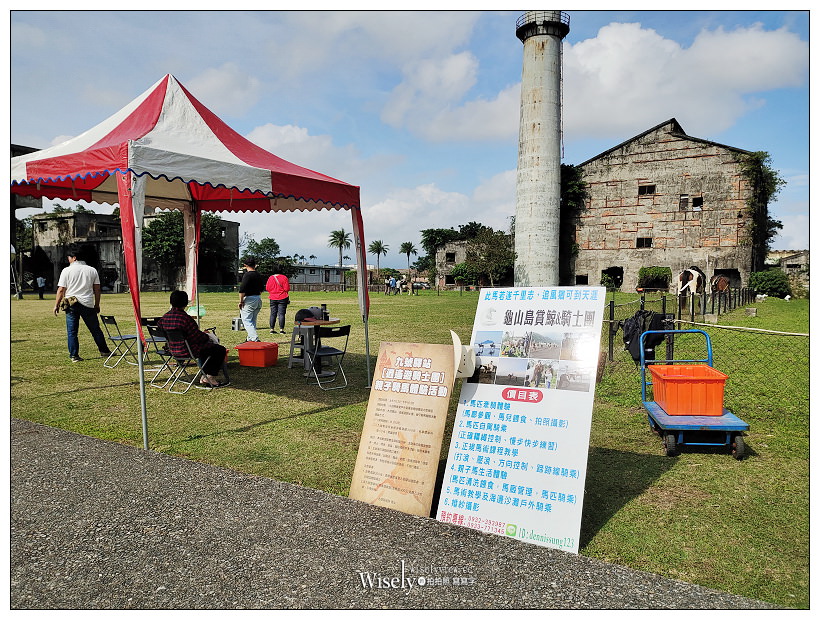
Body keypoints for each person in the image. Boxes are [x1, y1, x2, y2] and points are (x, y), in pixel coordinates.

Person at [158, 290, 228, 388]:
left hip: (172, 350)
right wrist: (207, 336)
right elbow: (197, 337)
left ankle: (205, 375)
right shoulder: (186, 319)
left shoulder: (164, 318)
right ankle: (209, 377)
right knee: (218, 349)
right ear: (186, 303)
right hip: (188, 350)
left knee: (205, 348)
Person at [53, 248, 112, 363]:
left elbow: (61, 290)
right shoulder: (92, 270)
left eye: (69, 258)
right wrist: (97, 304)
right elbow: (97, 289)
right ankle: (104, 351)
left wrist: (56, 305)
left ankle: (74, 355)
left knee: (72, 331)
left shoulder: (66, 271)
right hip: (88, 303)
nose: (68, 260)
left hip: (71, 303)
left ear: (74, 258)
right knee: (95, 329)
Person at [238, 256, 265, 342]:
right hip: (258, 298)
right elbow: (261, 289)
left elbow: (242, 290)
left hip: (249, 299)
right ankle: (249, 339)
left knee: (246, 320)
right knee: (253, 320)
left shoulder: (247, 275)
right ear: (255, 265)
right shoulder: (258, 275)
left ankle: (254, 338)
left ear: (245, 265)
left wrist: (241, 301)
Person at [266, 264, 291, 334]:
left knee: (273, 314)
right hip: (282, 297)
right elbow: (287, 288)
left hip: (272, 297)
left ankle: (271, 329)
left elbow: (267, 288)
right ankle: (281, 329)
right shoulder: (284, 278)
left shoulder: (270, 278)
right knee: (281, 314)